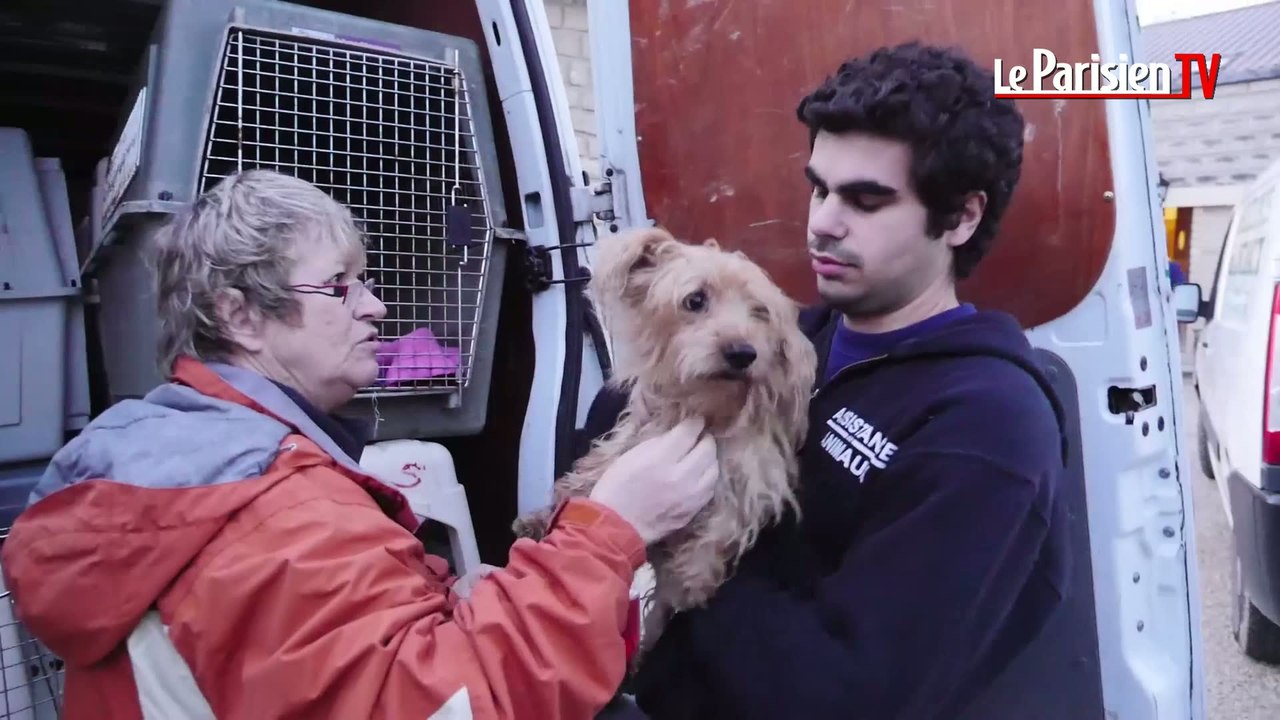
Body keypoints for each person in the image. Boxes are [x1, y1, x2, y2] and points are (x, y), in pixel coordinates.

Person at [0, 169, 719, 719]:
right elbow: (447, 703)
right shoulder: (274, 516)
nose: (375, 305)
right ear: (242, 316)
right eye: (340, 286)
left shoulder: (167, 456)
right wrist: (607, 533)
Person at [579, 42, 1072, 719]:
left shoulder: (986, 430)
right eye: (819, 188)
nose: (823, 223)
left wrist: (680, 541)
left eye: (866, 201)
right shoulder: (795, 341)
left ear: (960, 217)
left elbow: (850, 695)